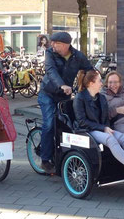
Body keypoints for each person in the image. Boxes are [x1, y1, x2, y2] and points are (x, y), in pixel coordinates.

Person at [38, 32, 93, 173]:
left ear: (66, 45)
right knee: (49, 124)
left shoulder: (77, 56)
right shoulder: (50, 54)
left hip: (65, 96)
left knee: (68, 125)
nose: (52, 45)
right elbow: (51, 71)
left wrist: (96, 83)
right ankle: (45, 160)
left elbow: (89, 69)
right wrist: (62, 85)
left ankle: (65, 157)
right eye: (52, 42)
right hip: (48, 94)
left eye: (56, 43)